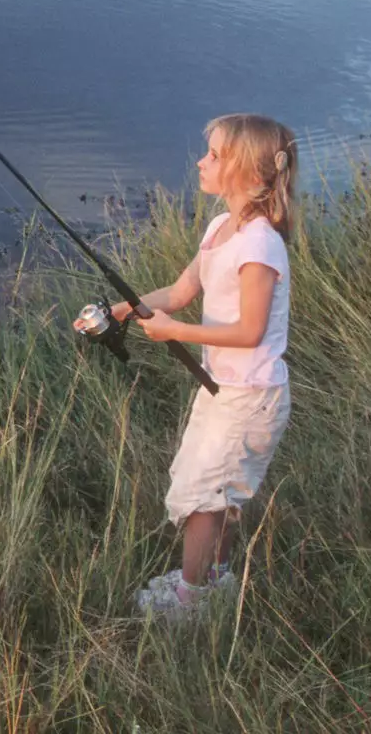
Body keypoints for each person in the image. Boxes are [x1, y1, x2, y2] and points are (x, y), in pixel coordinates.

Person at [85, 113, 297, 620]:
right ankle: (215, 581)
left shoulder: (260, 244)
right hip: (222, 389)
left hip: (250, 397)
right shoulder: (222, 227)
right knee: (212, 489)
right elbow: (180, 294)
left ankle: (192, 600)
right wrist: (120, 310)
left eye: (215, 156)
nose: (201, 162)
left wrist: (176, 333)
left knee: (205, 497)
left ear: (250, 175)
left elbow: (249, 331)